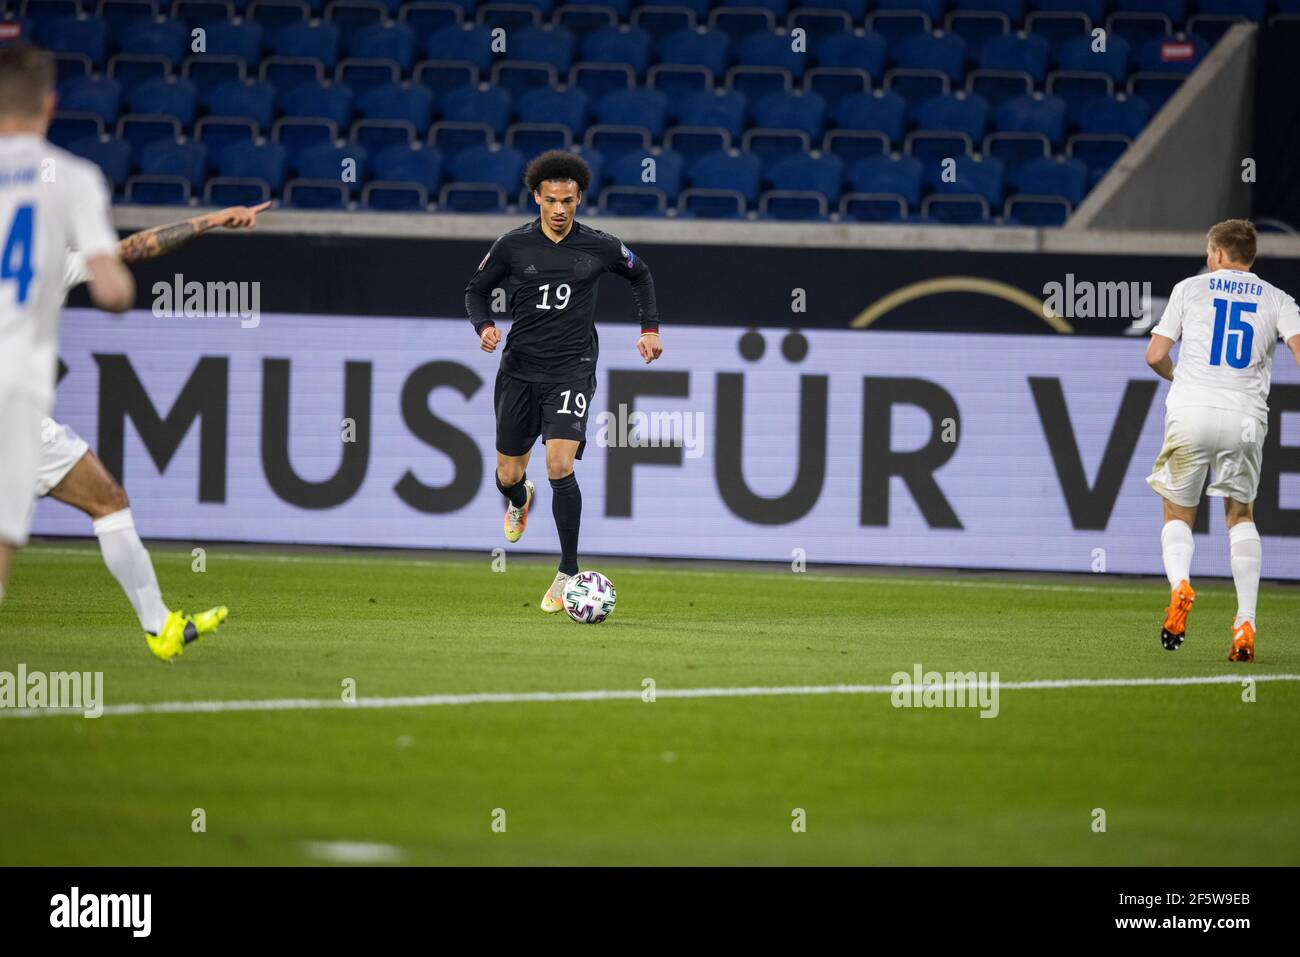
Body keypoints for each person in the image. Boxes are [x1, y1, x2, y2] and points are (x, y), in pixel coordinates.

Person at [464, 150, 663, 611]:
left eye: (568, 201)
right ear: (536, 197)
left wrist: (649, 330)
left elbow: (641, 274)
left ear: (579, 199)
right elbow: (474, 290)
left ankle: (567, 572)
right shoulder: (513, 245)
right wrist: (485, 327)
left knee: (559, 465)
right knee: (507, 472)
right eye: (550, 199)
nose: (559, 209)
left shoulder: (600, 246)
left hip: (571, 370)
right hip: (518, 372)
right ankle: (519, 497)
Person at [1145, 219, 1300, 662]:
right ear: (1250, 256)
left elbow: (1155, 354)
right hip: (1245, 418)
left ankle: (1180, 586)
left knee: (1177, 512)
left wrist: (1178, 378)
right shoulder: (1278, 299)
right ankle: (1244, 621)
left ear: (1216, 254)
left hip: (1189, 411)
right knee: (1240, 516)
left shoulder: (1189, 289)